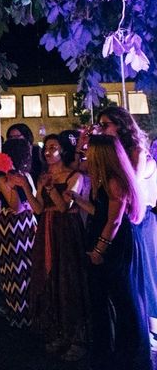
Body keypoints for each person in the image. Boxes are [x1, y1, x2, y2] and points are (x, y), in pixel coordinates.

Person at [71, 134, 151, 370]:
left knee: (121, 297)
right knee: (105, 297)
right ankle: (108, 352)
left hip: (114, 246)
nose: (87, 156)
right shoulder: (104, 178)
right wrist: (78, 200)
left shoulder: (115, 181)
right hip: (105, 239)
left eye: (90, 151)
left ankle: (130, 356)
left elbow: (114, 221)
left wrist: (99, 249)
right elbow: (100, 212)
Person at [96, 106, 157, 347]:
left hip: (140, 220)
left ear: (120, 125)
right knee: (131, 280)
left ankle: (147, 330)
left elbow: (130, 185)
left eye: (105, 124)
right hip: (127, 220)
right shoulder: (115, 150)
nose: (101, 129)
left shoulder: (137, 151)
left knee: (144, 274)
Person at [26, 134, 89, 361]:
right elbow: (38, 208)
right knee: (49, 276)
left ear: (62, 151)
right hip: (46, 229)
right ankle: (57, 331)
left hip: (66, 231)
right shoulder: (44, 177)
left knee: (67, 279)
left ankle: (76, 337)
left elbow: (64, 207)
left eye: (53, 147)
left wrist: (51, 189)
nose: (47, 152)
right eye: (46, 148)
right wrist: (28, 187)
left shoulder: (75, 176)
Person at [0, 138, 38, 328]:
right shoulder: (2, 179)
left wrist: (24, 185)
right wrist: (12, 185)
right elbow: (16, 206)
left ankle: (31, 311)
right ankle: (17, 314)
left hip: (29, 224)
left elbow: (34, 200)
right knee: (14, 269)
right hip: (11, 227)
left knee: (30, 268)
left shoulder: (27, 176)